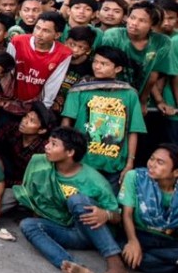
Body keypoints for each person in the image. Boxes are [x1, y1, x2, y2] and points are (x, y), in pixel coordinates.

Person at [16, 126, 129, 273]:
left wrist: (106, 214)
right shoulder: (42, 164)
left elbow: (118, 217)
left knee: (77, 200)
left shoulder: (94, 180)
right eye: (48, 142)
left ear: (70, 152)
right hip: (69, 230)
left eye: (54, 144)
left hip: (95, 232)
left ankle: (115, 262)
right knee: (28, 225)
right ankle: (75, 267)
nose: (47, 147)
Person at [60, 46, 146, 189]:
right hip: (82, 160)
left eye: (104, 64)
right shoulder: (80, 90)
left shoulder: (129, 94)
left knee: (108, 205)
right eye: (95, 62)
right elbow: (66, 123)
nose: (97, 67)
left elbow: (133, 131)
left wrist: (130, 163)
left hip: (115, 164)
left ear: (118, 69)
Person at [117, 143, 178, 273]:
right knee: (134, 257)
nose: (152, 164)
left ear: (176, 172)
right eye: (151, 159)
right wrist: (133, 241)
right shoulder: (135, 177)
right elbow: (126, 214)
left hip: (167, 241)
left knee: (143, 259)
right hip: (139, 234)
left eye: (160, 162)